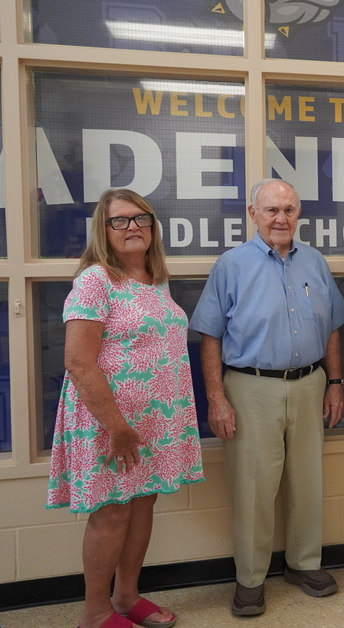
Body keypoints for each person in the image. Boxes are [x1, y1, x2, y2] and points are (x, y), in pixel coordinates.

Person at [190, 179, 344, 617]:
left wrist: (334, 383)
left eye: (289, 210)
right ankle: (250, 580)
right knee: (254, 488)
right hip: (250, 386)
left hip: (309, 383)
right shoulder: (231, 265)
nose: (281, 218)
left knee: (307, 482)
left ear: (299, 214)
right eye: (272, 210)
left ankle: (303, 565)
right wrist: (216, 398)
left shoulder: (314, 261)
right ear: (252, 213)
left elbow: (333, 326)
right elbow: (210, 336)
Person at [47, 189, 204, 628]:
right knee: (113, 509)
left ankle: (126, 596)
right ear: (103, 229)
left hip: (155, 420)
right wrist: (116, 425)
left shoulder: (155, 279)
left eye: (141, 218)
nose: (132, 226)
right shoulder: (96, 280)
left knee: (142, 504)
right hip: (109, 421)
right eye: (119, 220)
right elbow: (78, 361)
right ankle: (95, 612)